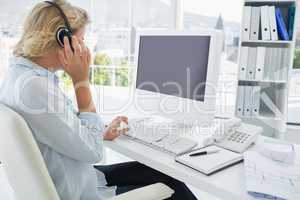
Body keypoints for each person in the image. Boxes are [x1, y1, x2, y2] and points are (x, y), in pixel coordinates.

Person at [0, 0, 198, 200]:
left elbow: (56, 127)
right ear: (64, 40)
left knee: (161, 173)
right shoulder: (36, 88)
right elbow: (94, 152)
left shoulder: (18, 76)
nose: (84, 48)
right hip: (79, 193)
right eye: (82, 39)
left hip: (75, 177)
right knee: (174, 187)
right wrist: (81, 80)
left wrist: (99, 132)